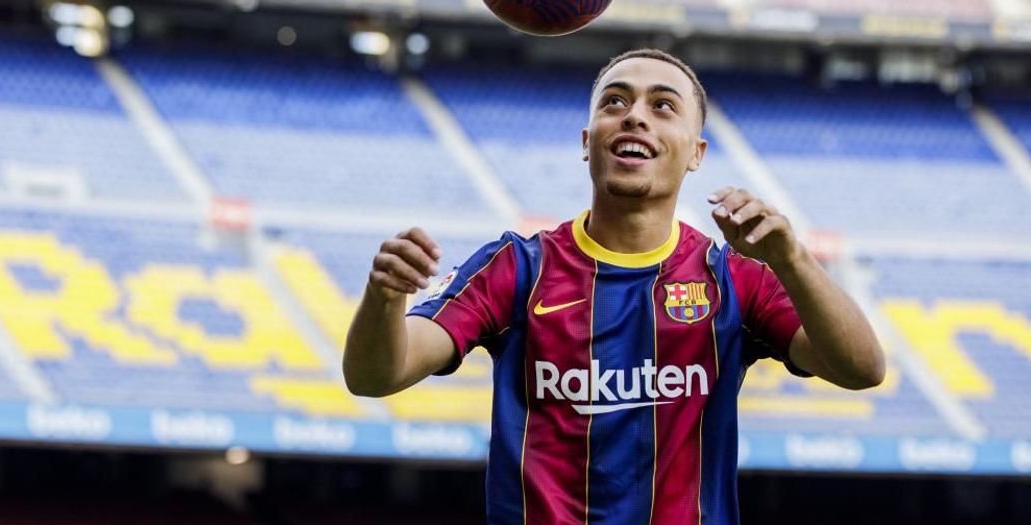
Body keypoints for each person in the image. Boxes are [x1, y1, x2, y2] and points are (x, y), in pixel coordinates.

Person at [342, 48, 885, 524]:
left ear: (696, 153)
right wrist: (384, 297)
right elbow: (375, 376)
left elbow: (862, 369)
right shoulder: (515, 267)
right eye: (615, 102)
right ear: (588, 141)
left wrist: (791, 259)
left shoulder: (734, 277)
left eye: (663, 105)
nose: (635, 116)